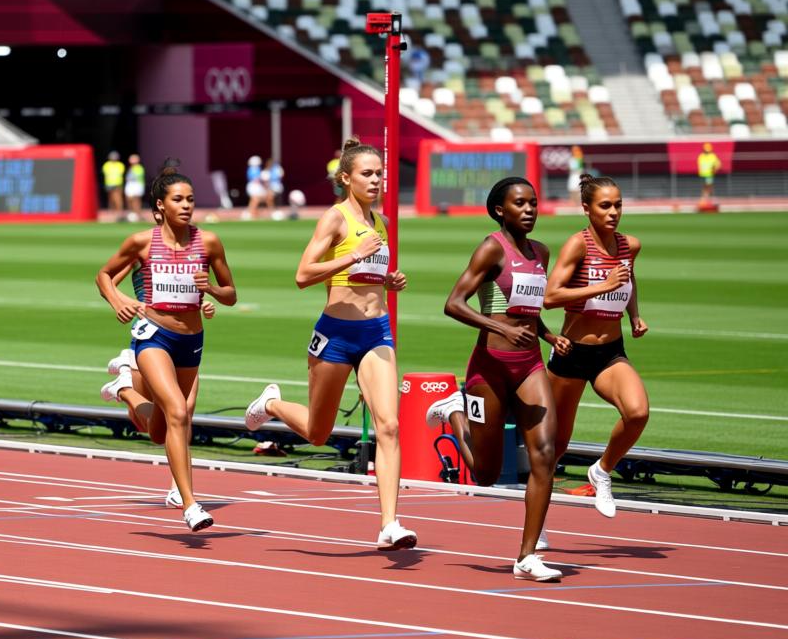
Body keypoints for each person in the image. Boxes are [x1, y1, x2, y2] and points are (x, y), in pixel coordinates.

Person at [243, 137, 417, 552]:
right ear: (346, 178)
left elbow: (367, 276)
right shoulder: (335, 220)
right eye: (367, 174)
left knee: (389, 426)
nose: (376, 180)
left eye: (380, 173)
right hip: (336, 335)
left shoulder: (381, 222)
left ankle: (390, 524)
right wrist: (353, 256)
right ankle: (272, 404)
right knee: (319, 433)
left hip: (377, 332)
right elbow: (304, 274)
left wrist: (385, 279)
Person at [426, 177, 571, 582]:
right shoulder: (492, 248)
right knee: (487, 475)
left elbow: (527, 308)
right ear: (499, 211)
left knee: (544, 454)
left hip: (529, 365)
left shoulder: (540, 251)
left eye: (533, 203)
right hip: (489, 366)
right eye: (519, 204)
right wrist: (501, 329)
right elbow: (453, 304)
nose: (529, 210)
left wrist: (548, 334)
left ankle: (527, 557)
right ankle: (455, 414)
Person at [96, 162, 237, 531]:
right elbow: (104, 275)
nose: (187, 205)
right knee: (177, 410)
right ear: (160, 206)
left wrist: (210, 289)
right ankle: (190, 503)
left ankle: (124, 387)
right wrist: (118, 301)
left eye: (190, 199)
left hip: (191, 340)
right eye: (178, 200)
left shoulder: (209, 242)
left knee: (161, 429)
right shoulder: (142, 242)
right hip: (153, 335)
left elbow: (231, 294)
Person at [544, 173, 648, 527]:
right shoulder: (578, 245)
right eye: (605, 206)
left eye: (618, 205)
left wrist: (634, 315)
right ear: (586, 209)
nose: (613, 212)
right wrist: (600, 286)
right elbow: (550, 297)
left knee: (637, 412)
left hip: (610, 352)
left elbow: (629, 278)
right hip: (572, 353)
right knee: (554, 447)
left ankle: (602, 471)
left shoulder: (629, 245)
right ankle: (536, 528)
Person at [698, 142, 722, 208]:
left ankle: (708, 199)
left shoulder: (712, 156)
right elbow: (700, 165)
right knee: (705, 187)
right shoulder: (701, 156)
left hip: (709, 174)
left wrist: (715, 169)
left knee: (709, 187)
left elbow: (718, 164)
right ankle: (705, 199)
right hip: (703, 174)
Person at [244, 155, 267, 220]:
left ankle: (253, 212)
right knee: (255, 199)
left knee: (257, 199)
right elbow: (255, 179)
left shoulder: (257, 169)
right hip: (254, 186)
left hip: (256, 186)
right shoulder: (252, 169)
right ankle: (251, 213)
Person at [124, 153, 146, 221]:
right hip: (130, 185)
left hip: (137, 185)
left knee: (136, 200)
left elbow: (137, 177)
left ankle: (138, 214)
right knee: (129, 199)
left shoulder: (139, 168)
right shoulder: (130, 168)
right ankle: (132, 213)